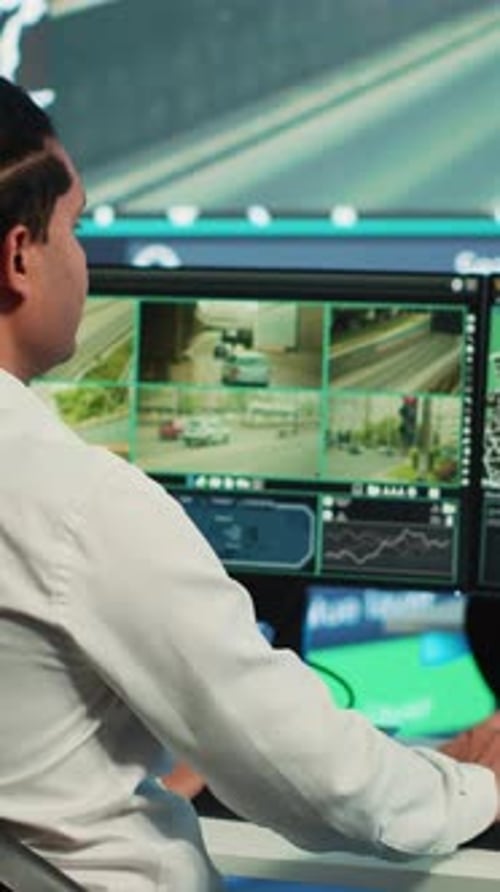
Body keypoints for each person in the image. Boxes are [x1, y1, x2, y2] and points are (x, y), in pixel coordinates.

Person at [1, 75, 500, 892]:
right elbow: (320, 785)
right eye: (76, 228)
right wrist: (477, 789)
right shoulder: (76, 506)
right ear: (19, 255)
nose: (83, 257)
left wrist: (156, 760)